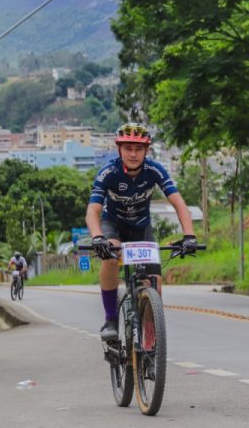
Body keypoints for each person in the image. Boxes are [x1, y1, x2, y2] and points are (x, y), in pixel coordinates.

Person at [85, 123, 198, 341]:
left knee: (155, 283)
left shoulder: (154, 170)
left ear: (147, 150)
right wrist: (97, 237)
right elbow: (93, 211)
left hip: (141, 228)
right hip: (113, 225)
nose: (133, 154)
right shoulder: (108, 172)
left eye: (139, 149)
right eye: (128, 148)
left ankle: (150, 345)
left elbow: (179, 204)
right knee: (110, 257)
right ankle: (110, 319)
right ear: (119, 149)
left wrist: (189, 236)